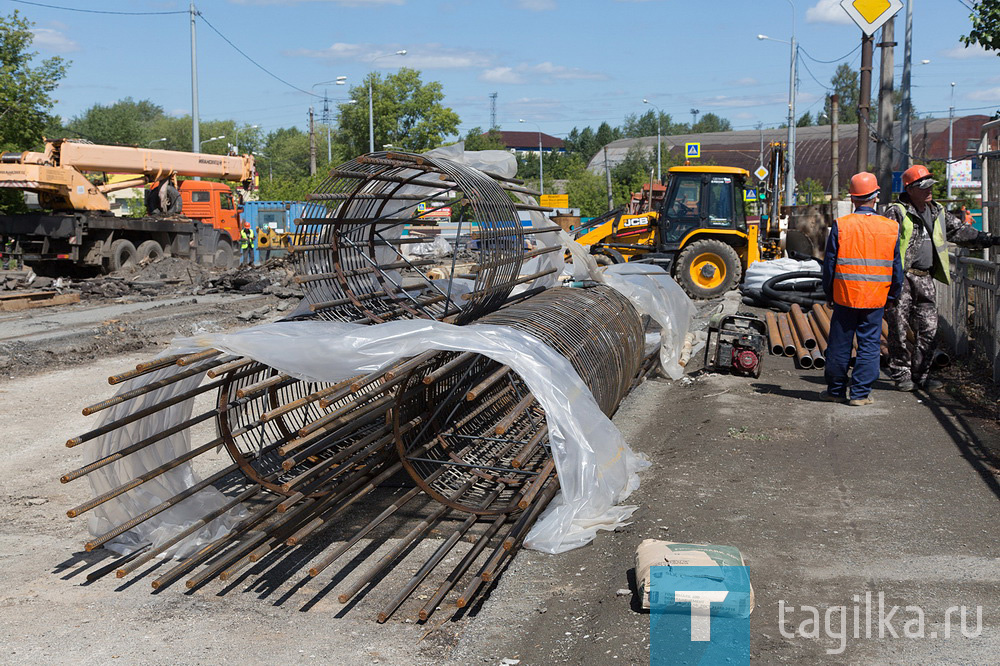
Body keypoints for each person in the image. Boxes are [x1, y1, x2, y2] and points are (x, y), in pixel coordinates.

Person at [883, 165, 1000, 391]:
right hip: (902, 279)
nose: (929, 191)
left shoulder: (937, 211)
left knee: (930, 328)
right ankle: (901, 374)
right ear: (910, 189)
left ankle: (921, 374)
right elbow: (884, 245)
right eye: (924, 187)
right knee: (897, 328)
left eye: (931, 186)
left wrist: (990, 239)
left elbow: (960, 232)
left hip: (925, 277)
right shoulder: (896, 212)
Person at [821, 172, 903, 406]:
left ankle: (835, 391)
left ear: (853, 199)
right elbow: (897, 267)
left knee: (839, 345)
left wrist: (830, 293)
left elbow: (829, 265)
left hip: (845, 296)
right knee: (869, 346)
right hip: (876, 299)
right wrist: (893, 295)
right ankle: (859, 395)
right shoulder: (890, 228)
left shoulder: (842, 225)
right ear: (876, 196)